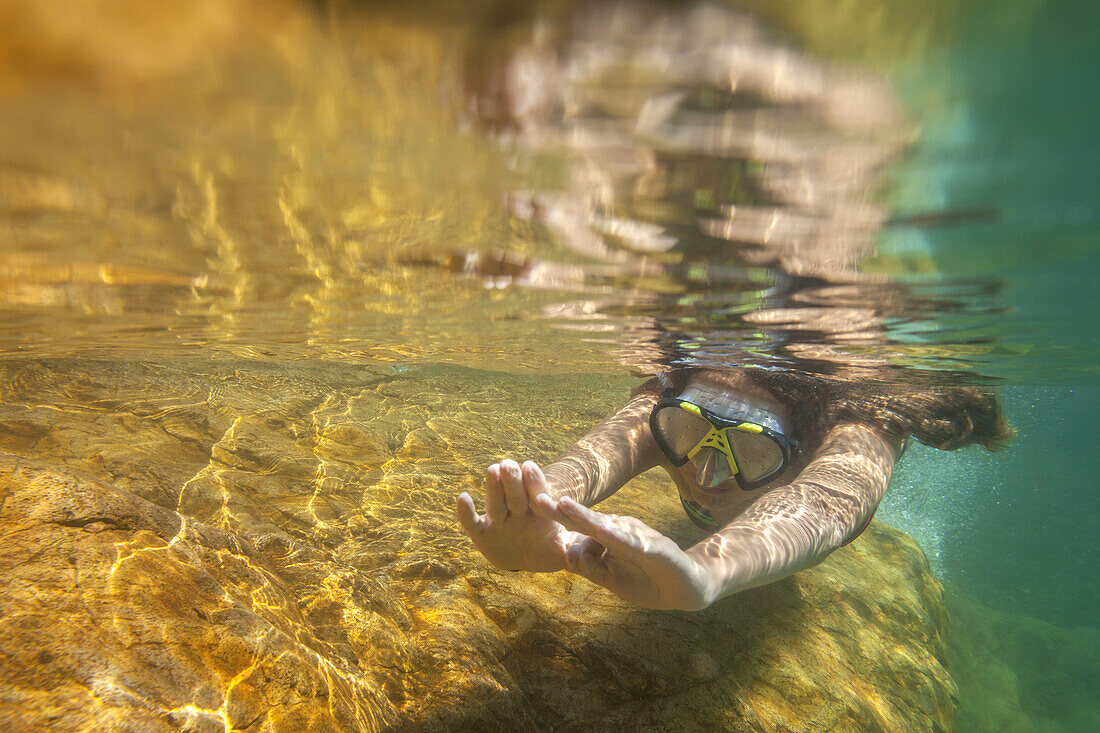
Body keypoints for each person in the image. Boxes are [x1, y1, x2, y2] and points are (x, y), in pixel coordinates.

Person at [456, 367, 1012, 610]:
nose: (707, 474)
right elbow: (594, 457)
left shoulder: (857, 424)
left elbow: (827, 504)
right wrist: (536, 513)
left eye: (754, 451)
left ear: (803, 448)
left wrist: (712, 571)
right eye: (688, 432)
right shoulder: (670, 399)